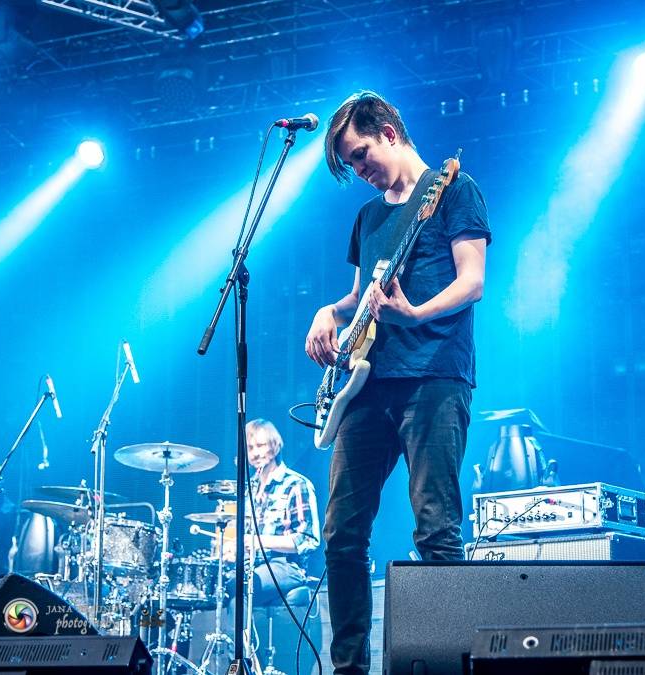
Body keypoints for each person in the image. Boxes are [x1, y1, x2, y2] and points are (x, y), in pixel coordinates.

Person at [304, 91, 490, 674]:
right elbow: (361, 295)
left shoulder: (454, 190)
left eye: (360, 155)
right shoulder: (368, 217)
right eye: (350, 165)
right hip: (367, 385)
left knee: (435, 527)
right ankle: (349, 668)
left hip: (433, 377)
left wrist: (415, 313)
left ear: (388, 131)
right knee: (341, 533)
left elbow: (472, 281)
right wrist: (328, 313)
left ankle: (445, 665)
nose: (359, 170)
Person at [240, 418, 320, 605]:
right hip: (252, 566)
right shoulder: (247, 489)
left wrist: (258, 541)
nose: (255, 453)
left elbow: (308, 539)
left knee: (245, 584)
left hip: (287, 566)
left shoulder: (296, 484)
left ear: (275, 446)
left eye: (260, 445)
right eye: (250, 448)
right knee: (223, 586)